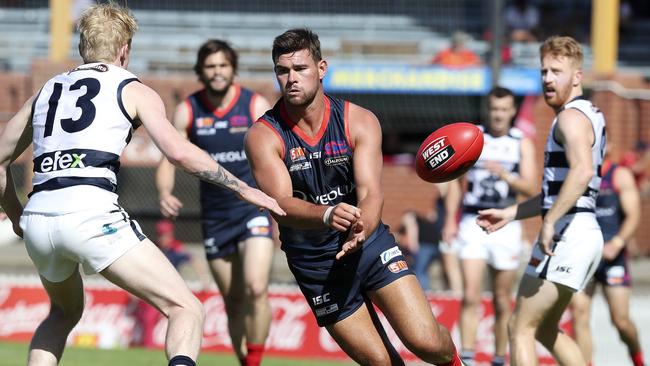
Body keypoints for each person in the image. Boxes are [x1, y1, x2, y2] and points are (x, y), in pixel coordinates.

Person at [0, 4, 284, 366]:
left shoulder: (45, 91)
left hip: (41, 217)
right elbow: (178, 152)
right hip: (90, 213)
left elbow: (1, 161)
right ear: (124, 49)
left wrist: (17, 215)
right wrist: (243, 188)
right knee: (186, 308)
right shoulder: (132, 87)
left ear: (84, 45)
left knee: (61, 314)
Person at [245, 27, 464, 366]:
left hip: (370, 243)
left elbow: (371, 192)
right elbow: (280, 205)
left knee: (427, 342)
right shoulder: (262, 135)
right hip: (315, 262)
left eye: (300, 69)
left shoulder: (357, 120)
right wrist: (327, 214)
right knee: (381, 363)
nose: (291, 79)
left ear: (321, 68)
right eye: (282, 70)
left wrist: (363, 227)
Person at [476, 35, 606, 365]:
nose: (547, 78)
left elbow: (583, 171)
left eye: (557, 71)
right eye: (544, 71)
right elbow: (559, 190)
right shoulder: (586, 113)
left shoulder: (569, 118)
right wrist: (511, 213)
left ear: (577, 76)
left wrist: (549, 222)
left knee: (520, 327)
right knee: (546, 328)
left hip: (568, 233)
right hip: (581, 230)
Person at [155, 39, 275, 366]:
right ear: (201, 71)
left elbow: (277, 147)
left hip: (252, 209)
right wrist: (165, 192)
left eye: (223, 65)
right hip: (215, 217)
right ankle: (244, 361)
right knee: (233, 302)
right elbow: (169, 158)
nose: (217, 72)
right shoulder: (188, 110)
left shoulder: (253, 104)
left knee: (255, 287)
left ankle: (255, 362)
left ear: (233, 68)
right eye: (210, 66)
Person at [456, 86, 537, 366]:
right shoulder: (471, 138)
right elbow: (457, 183)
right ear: (487, 109)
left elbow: (530, 188)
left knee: (502, 299)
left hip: (505, 224)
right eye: (494, 109)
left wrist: (505, 174)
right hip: (472, 221)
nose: (499, 115)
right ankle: (467, 358)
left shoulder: (520, 142)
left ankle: (499, 359)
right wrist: (448, 222)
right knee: (470, 294)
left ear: (512, 111)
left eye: (504, 109)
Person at [570, 153, 645, 366]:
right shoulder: (578, 175)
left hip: (612, 258)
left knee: (620, 321)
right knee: (579, 314)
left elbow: (634, 214)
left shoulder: (619, 175)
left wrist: (618, 242)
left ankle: (637, 357)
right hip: (584, 257)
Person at [132, 219, 212, 349]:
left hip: (172, 289)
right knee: (148, 316)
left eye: (165, 234)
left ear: (170, 234)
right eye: (160, 234)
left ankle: (181, 346)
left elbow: (194, 261)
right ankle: (148, 345)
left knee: (185, 315)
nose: (162, 238)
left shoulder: (177, 248)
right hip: (154, 287)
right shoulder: (154, 246)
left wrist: (204, 278)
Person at [398, 181, 463, 293]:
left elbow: (451, 188)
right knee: (444, 269)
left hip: (447, 235)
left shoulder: (451, 196)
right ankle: (454, 294)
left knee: (451, 269)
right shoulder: (441, 202)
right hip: (439, 237)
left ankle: (457, 295)